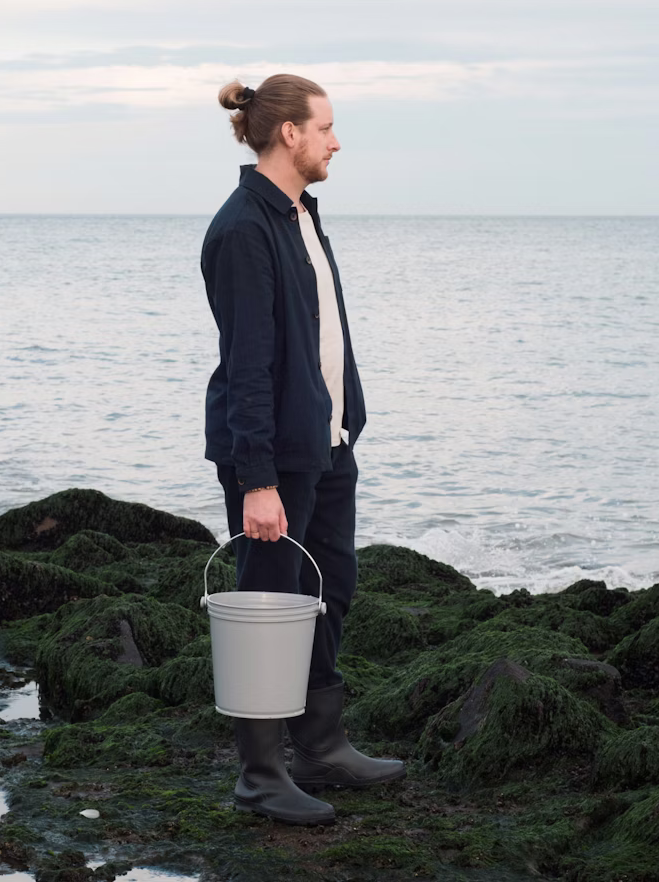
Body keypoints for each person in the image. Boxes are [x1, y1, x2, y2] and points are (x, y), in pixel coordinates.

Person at [200, 74, 406, 826]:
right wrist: (257, 480)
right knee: (268, 608)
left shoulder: (298, 216)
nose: (335, 141)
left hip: (325, 442)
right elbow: (249, 363)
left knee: (331, 590)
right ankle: (260, 774)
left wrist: (346, 422)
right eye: (326, 127)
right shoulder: (242, 229)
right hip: (272, 455)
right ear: (290, 133)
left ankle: (320, 746)